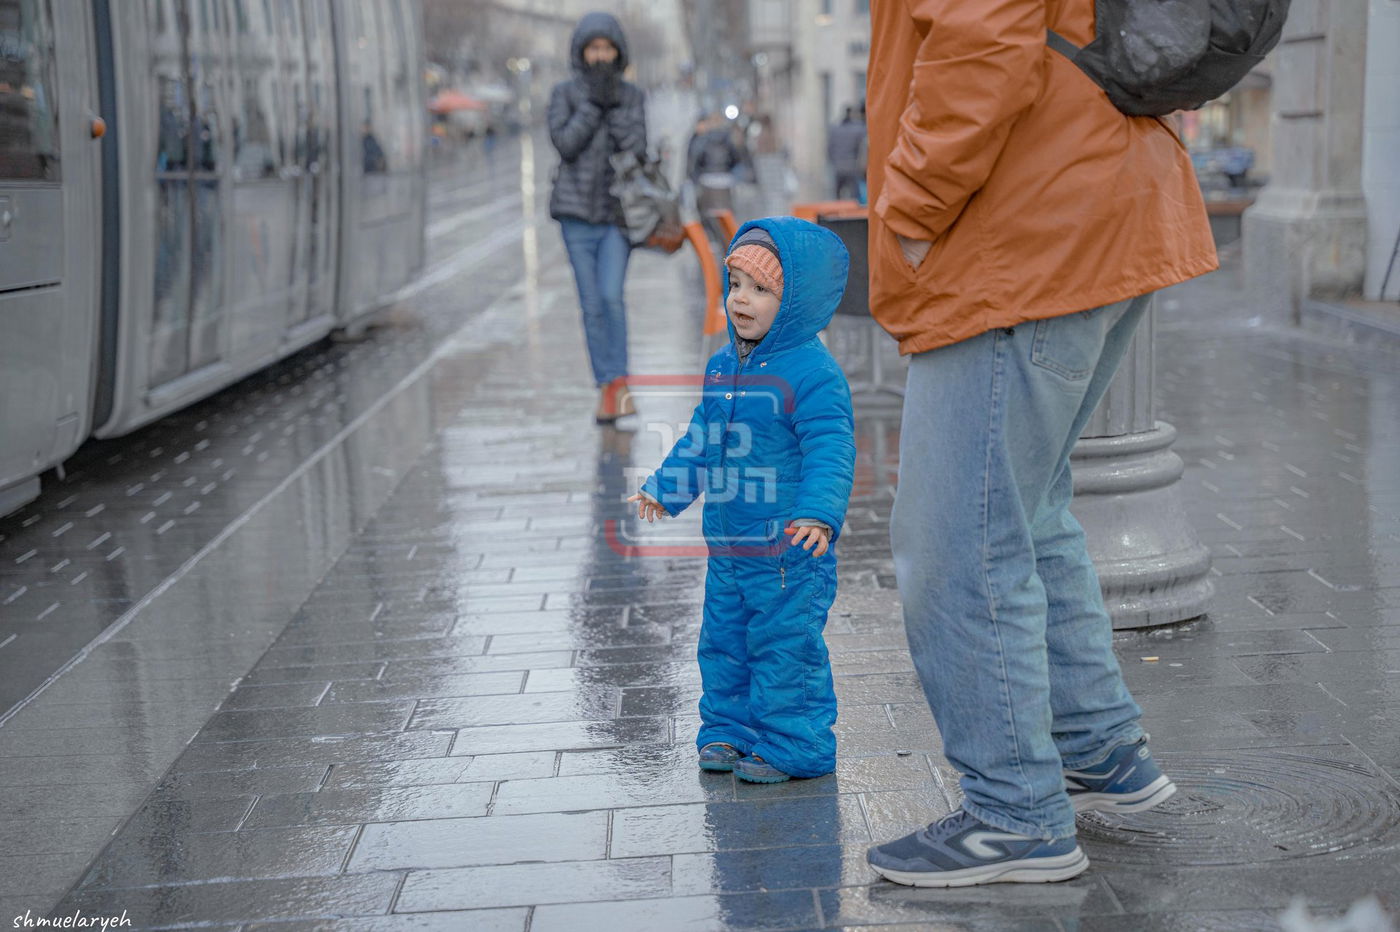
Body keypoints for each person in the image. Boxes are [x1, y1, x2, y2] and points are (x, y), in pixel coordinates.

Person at [863, 0, 1218, 887]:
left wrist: (910, 207)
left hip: (1018, 231)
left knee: (957, 538)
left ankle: (1015, 815)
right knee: (1029, 508)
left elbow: (984, 39)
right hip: (1087, 204)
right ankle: (1096, 747)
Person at [628, 219, 857, 784]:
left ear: (796, 301)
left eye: (760, 290)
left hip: (788, 551)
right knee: (724, 642)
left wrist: (817, 513)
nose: (741, 301)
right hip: (729, 546)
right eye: (735, 285)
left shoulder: (813, 373)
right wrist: (667, 486)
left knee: (785, 648)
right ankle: (728, 730)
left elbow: (831, 444)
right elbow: (702, 437)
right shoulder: (723, 366)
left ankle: (795, 743)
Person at [547, 12, 647, 423]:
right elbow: (564, 144)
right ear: (581, 52)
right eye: (593, 48)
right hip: (575, 218)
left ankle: (621, 383)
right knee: (590, 305)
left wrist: (614, 106)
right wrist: (593, 105)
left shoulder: (632, 96)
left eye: (607, 48)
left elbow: (637, 147)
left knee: (611, 298)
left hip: (616, 218)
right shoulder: (565, 94)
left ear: (618, 51)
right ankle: (606, 387)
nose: (600, 55)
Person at [826, 105, 866, 202]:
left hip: (838, 167)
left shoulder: (834, 129)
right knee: (854, 199)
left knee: (837, 197)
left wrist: (833, 162)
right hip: (852, 166)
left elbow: (829, 149)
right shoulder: (858, 129)